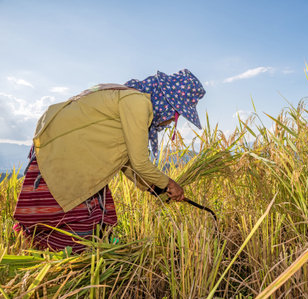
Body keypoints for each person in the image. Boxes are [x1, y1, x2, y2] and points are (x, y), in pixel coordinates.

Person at [13, 69, 205, 253]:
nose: (171, 122)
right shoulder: (137, 102)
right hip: (65, 157)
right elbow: (139, 163)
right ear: (169, 104)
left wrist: (159, 191)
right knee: (77, 227)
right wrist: (171, 183)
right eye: (177, 116)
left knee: (98, 221)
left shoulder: (131, 98)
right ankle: (68, 272)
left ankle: (71, 267)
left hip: (72, 156)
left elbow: (128, 165)